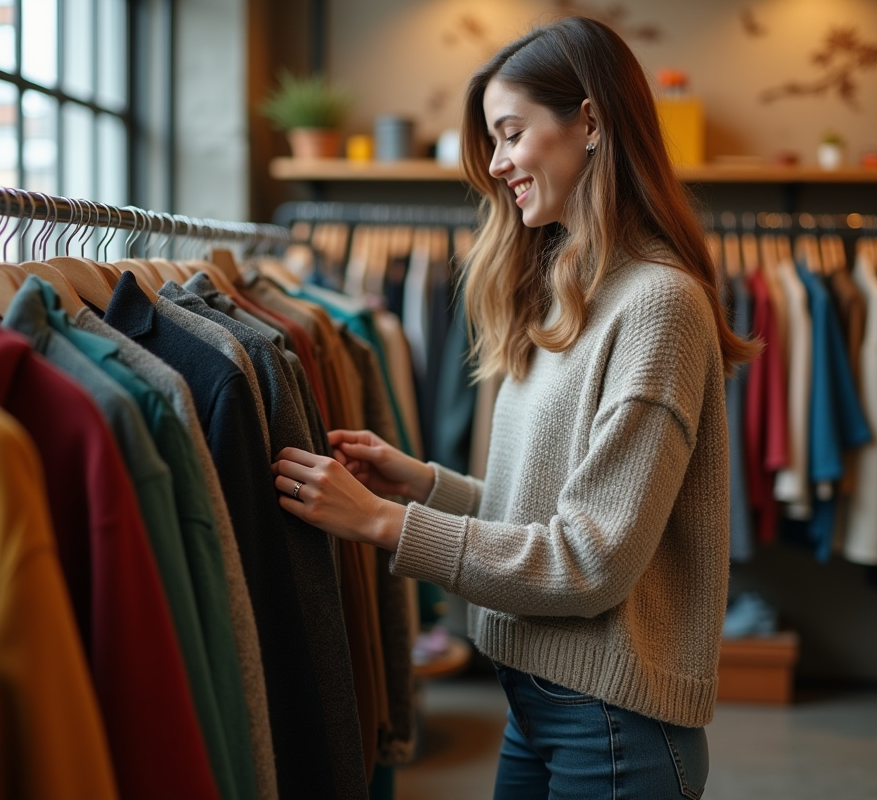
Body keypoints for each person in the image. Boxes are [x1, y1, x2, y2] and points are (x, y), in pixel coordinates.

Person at [271, 15, 756, 799]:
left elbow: (590, 563)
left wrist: (383, 523)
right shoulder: (568, 292)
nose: (496, 165)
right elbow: (547, 512)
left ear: (590, 123)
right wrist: (422, 485)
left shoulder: (658, 305)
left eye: (510, 134)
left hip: (610, 723)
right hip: (539, 703)